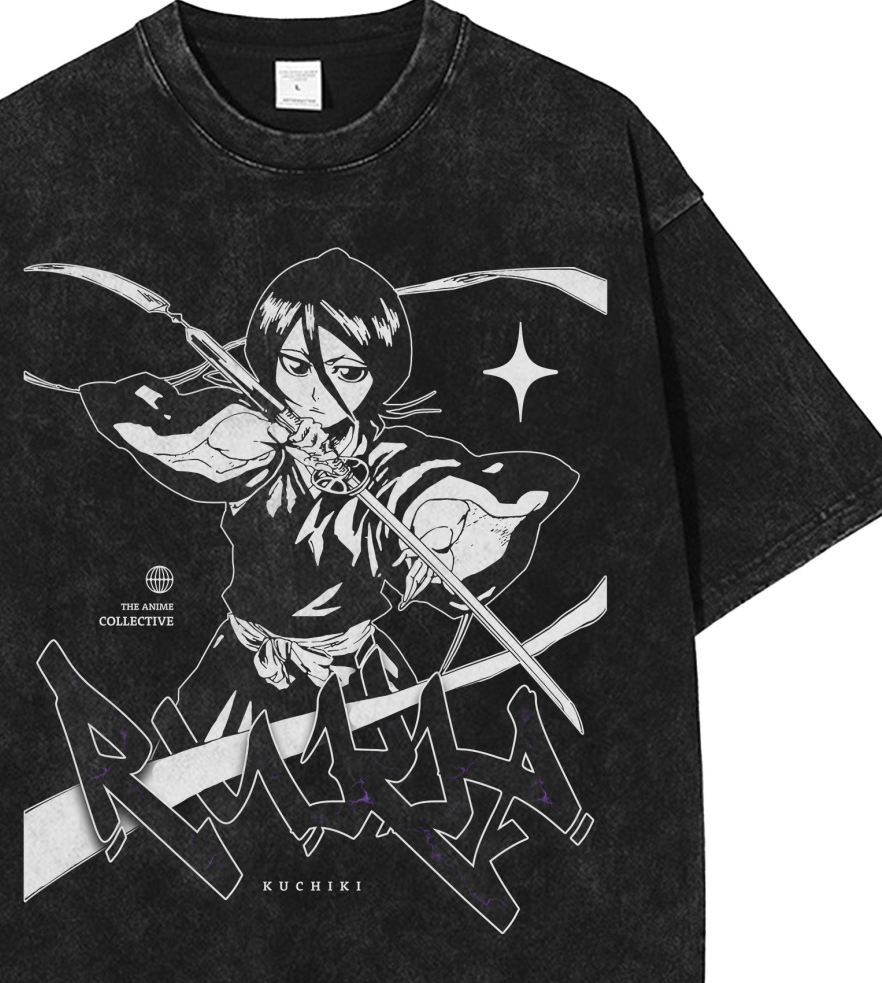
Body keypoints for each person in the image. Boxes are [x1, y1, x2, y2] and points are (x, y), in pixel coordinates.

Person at [78, 247, 577, 742]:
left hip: (350, 673)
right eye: (297, 366)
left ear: (379, 375)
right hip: (243, 667)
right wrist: (266, 436)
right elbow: (165, 428)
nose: (317, 393)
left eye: (348, 372)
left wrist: (440, 522)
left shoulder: (391, 457)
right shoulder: (251, 438)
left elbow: (434, 488)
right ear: (268, 360)